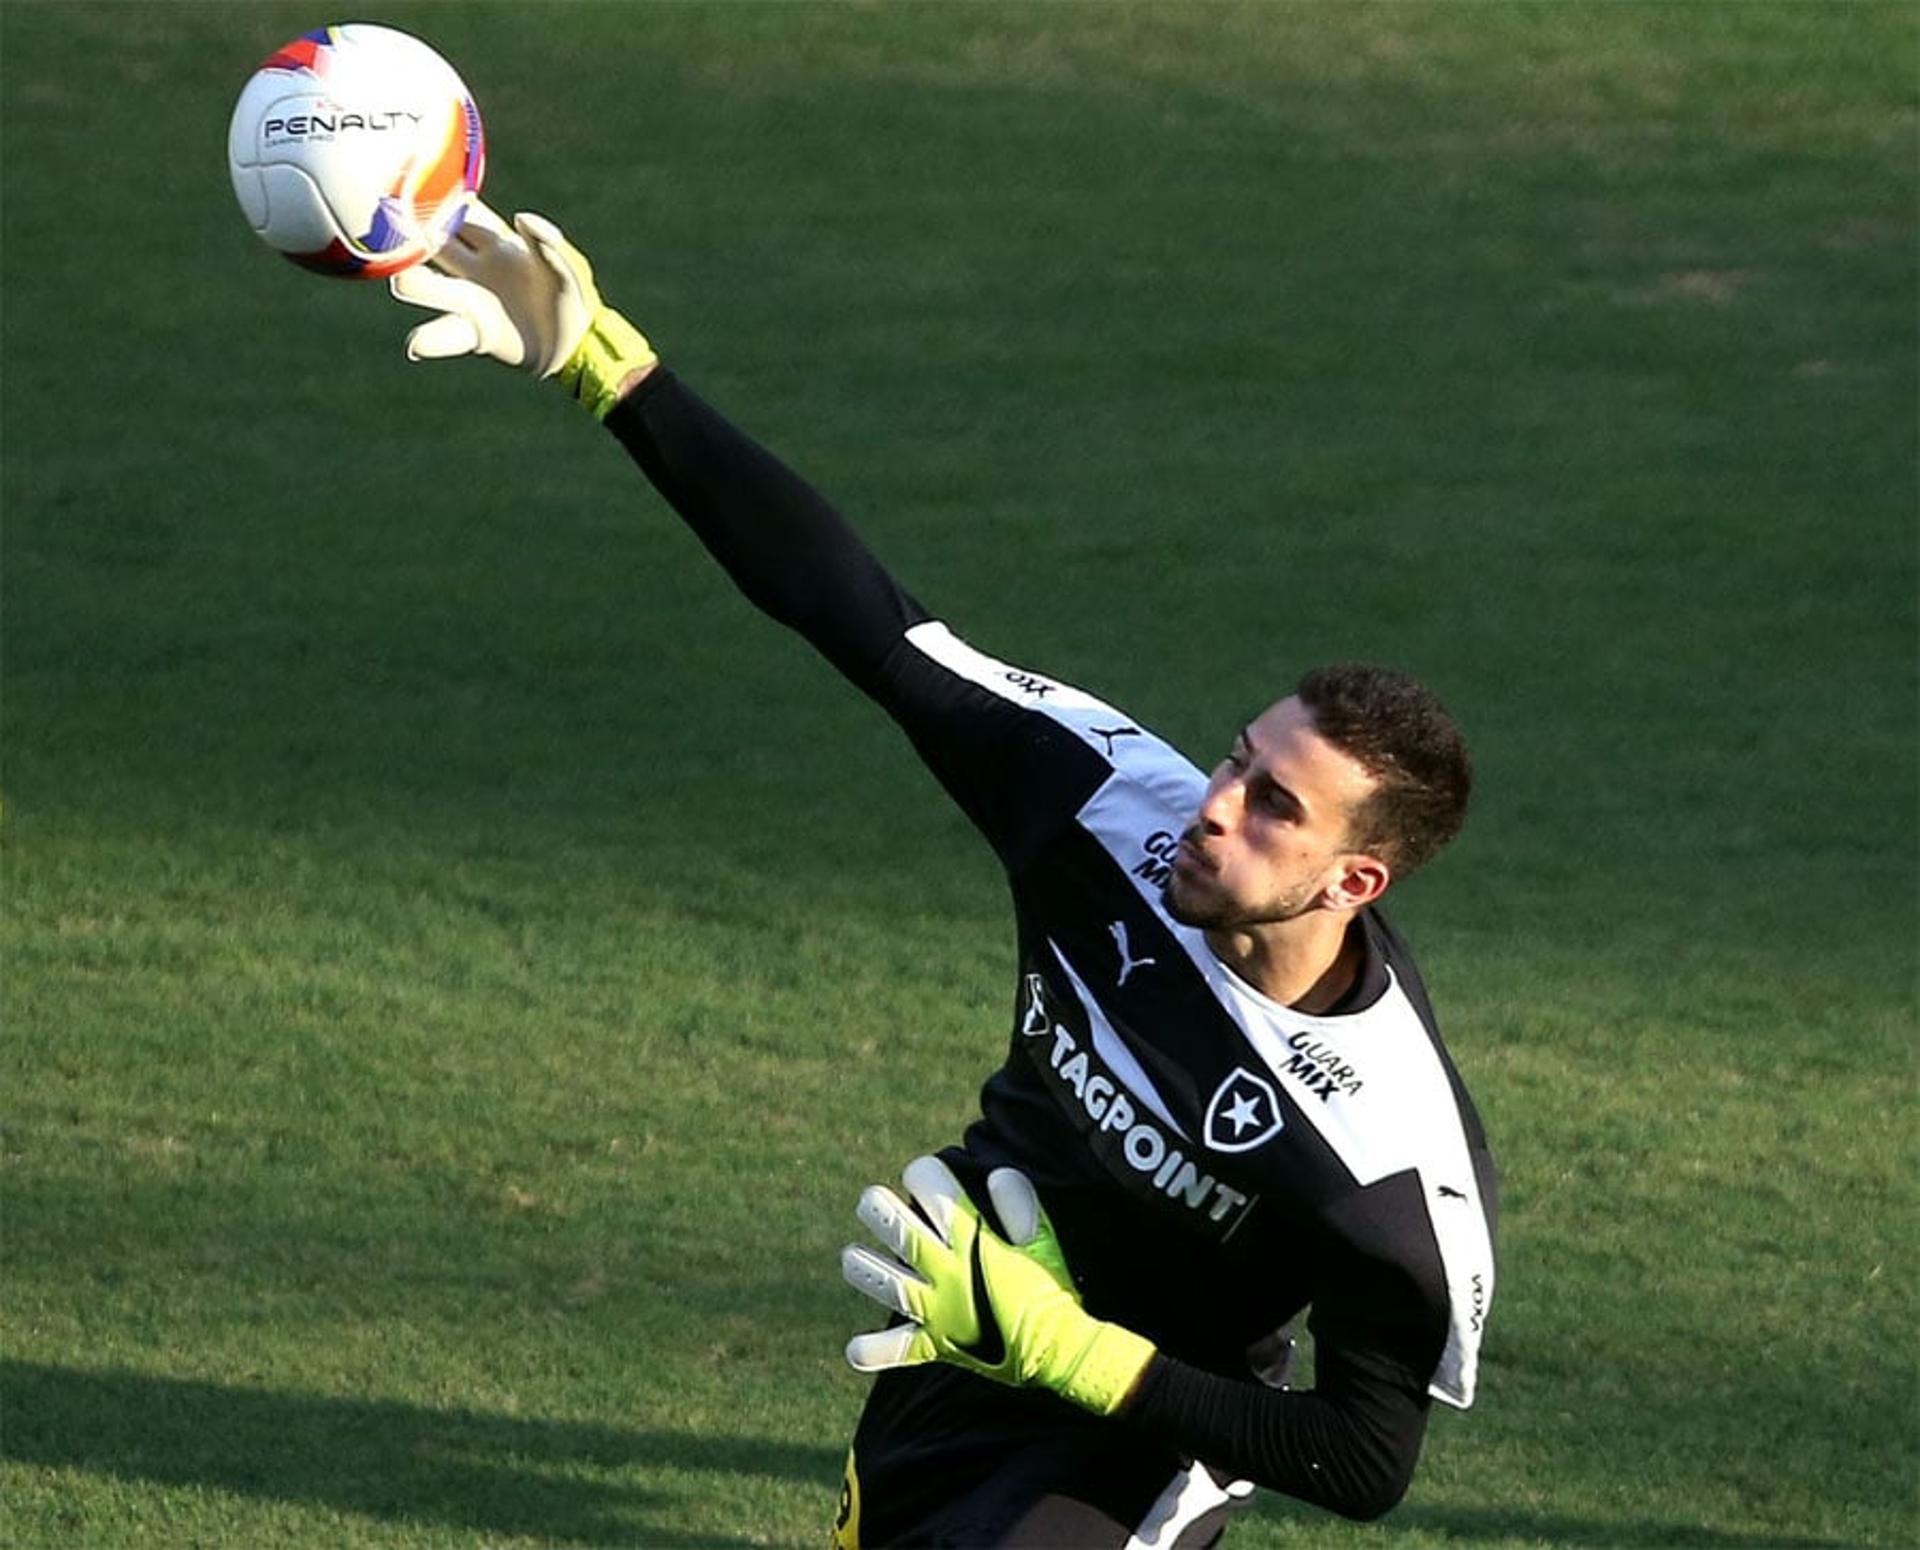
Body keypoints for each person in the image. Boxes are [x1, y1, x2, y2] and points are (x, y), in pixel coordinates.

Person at [389, 203, 1497, 1548]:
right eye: (1234, 759)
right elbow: (860, 614)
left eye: (1273, 806)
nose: (1213, 807)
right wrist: (608, 368)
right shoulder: (1105, 805)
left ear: (1356, 879)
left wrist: (1075, 1350)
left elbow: (1364, 1458)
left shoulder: (1384, 1154)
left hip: (1144, 1425)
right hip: (953, 1323)